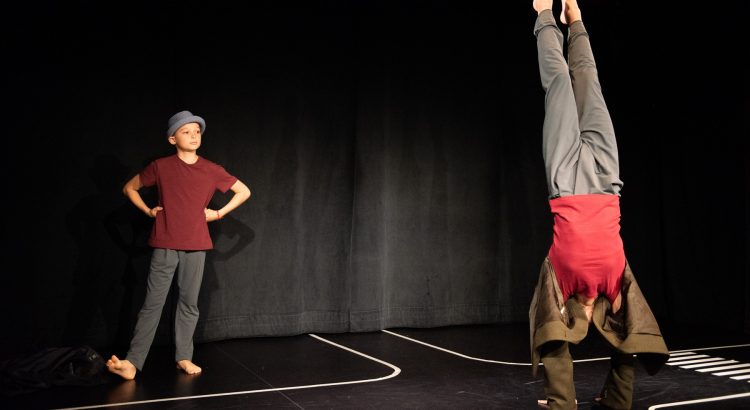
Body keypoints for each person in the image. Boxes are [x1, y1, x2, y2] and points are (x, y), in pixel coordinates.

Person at [527, 1, 669, 409]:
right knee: (589, 83)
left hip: (567, 181)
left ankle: (544, 15)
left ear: (574, 316)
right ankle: (575, 19)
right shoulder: (615, 282)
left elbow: (551, 336)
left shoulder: (563, 280)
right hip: (608, 182)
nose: (591, 322)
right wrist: (617, 398)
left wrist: (561, 401)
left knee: (559, 85)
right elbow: (631, 337)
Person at [106, 110, 251, 380]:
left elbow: (244, 191)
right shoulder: (160, 167)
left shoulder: (211, 169)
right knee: (152, 304)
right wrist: (149, 211)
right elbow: (129, 188)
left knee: (188, 304)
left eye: (197, 131)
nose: (194, 136)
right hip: (165, 243)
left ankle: (184, 357)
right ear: (173, 139)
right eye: (186, 131)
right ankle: (133, 362)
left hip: (196, 245)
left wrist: (218, 213)